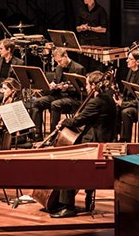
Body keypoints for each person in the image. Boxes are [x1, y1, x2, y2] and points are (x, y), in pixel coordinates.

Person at [49, 70, 116, 218]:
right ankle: (77, 200)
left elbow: (78, 121)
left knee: (68, 165)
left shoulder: (96, 102)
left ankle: (68, 206)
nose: (85, 87)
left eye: (87, 84)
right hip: (104, 141)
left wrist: (64, 122)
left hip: (94, 144)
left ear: (93, 85)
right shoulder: (109, 99)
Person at [31, 48, 86, 141]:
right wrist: (53, 85)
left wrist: (68, 88)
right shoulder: (59, 67)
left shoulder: (78, 68)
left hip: (74, 98)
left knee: (55, 104)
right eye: (57, 62)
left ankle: (53, 136)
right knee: (37, 102)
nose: (59, 64)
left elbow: (82, 90)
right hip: (59, 95)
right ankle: (37, 135)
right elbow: (56, 81)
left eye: (60, 61)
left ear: (66, 56)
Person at [76, 0, 108, 71]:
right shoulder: (81, 10)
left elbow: (104, 29)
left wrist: (90, 28)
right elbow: (77, 28)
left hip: (95, 42)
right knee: (82, 66)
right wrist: (81, 27)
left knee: (95, 67)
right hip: (83, 41)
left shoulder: (100, 10)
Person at [114, 49, 139, 142]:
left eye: (130, 59)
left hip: (136, 107)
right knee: (114, 108)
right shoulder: (131, 71)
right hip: (129, 102)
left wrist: (123, 104)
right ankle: (114, 136)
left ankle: (125, 141)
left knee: (126, 112)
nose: (127, 60)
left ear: (137, 62)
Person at [0, 39, 24, 109]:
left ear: (8, 50)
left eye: (1, 49)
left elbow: (19, 82)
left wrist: (6, 89)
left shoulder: (19, 63)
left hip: (9, 90)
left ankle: (0, 116)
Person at [0, 77, 24, 149]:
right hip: (6, 133)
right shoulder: (7, 100)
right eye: (3, 88)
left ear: (13, 90)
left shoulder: (17, 103)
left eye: (5, 89)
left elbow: (15, 126)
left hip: (14, 136)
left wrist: (0, 125)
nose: (3, 91)